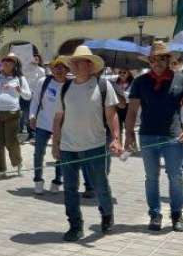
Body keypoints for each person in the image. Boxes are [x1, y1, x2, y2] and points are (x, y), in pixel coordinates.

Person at [52, 45, 122, 242]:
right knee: (70, 188)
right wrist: (56, 144)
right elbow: (58, 118)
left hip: (95, 145)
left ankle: (107, 216)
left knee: (100, 184)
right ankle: (75, 225)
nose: (74, 65)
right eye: (73, 62)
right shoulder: (65, 87)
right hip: (68, 147)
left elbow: (112, 115)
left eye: (79, 61)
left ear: (89, 65)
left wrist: (116, 138)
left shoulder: (102, 85)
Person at [125, 41, 183, 231]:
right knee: (151, 177)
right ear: (149, 61)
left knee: (175, 176)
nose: (156, 63)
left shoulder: (179, 79)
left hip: (173, 136)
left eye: (161, 59)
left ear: (168, 60)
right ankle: (155, 214)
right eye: (153, 59)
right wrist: (129, 134)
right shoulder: (140, 82)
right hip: (148, 136)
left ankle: (176, 215)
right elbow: (132, 110)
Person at [29, 56, 69, 194]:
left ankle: (57, 180)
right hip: (43, 123)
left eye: (62, 67)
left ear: (67, 69)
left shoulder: (70, 84)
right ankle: (38, 180)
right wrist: (32, 116)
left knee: (60, 154)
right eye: (56, 66)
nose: (59, 69)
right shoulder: (43, 81)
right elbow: (35, 100)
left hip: (63, 125)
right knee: (38, 153)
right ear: (51, 68)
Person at [0, 53, 31, 177]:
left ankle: (18, 163)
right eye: (5, 60)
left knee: (11, 142)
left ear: (14, 64)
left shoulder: (20, 78)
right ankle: (0, 169)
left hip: (12, 113)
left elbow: (28, 96)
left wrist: (20, 90)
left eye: (10, 61)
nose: (6, 62)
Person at [115, 68, 134, 143]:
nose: (122, 74)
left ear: (128, 73)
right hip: (118, 107)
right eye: (120, 72)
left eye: (124, 72)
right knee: (118, 128)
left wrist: (124, 94)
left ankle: (132, 145)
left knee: (129, 128)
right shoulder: (115, 82)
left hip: (129, 106)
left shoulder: (133, 82)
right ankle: (119, 145)